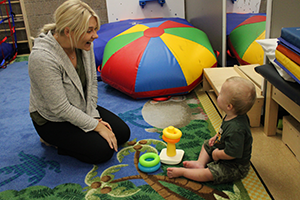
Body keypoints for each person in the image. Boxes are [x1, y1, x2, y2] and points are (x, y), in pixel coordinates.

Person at [28, 0, 130, 164]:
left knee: (123, 134)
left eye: (95, 30)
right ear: (69, 32)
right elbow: (60, 108)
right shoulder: (42, 58)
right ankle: (52, 142)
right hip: (53, 120)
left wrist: (94, 117)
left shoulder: (84, 44)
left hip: (80, 106)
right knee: (102, 152)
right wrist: (96, 126)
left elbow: (92, 85)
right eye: (90, 31)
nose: (95, 35)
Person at [167, 76, 256, 184]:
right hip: (224, 147)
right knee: (206, 145)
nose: (219, 93)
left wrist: (217, 154)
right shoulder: (233, 115)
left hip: (235, 165)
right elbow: (224, 131)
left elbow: (233, 153)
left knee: (209, 174)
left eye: (221, 94)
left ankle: (183, 172)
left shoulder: (236, 129)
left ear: (229, 106)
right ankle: (200, 163)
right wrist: (216, 137)